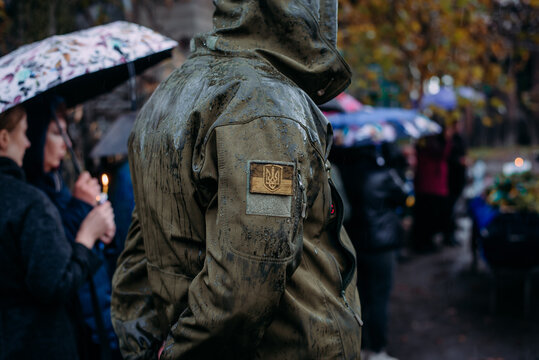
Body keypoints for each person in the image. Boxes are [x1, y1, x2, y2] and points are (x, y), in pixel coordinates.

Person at [111, 1, 363, 359]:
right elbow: (244, 290)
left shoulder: (166, 97)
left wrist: (146, 349)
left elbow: (138, 259)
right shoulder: (264, 104)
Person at [0, 105, 115, 359]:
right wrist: (85, 232)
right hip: (40, 343)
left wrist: (100, 230)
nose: (28, 143)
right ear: (4, 139)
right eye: (54, 133)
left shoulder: (55, 189)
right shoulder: (29, 200)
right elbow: (54, 280)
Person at [331, 144, 407, 360]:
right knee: (380, 297)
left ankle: (361, 346)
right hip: (381, 246)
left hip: (354, 244)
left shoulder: (343, 173)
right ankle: (378, 350)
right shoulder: (384, 174)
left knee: (359, 297)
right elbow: (403, 196)